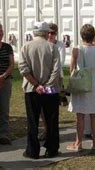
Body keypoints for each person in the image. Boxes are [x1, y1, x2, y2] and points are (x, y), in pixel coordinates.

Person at [18, 21, 61, 159]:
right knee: (51, 119)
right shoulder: (52, 47)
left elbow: (23, 69)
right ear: (47, 32)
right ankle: (51, 148)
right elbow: (56, 69)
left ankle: (32, 150)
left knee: (32, 120)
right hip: (50, 89)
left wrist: (36, 85)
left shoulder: (25, 47)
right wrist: (47, 85)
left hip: (32, 89)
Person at [67, 24, 95, 151]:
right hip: (94, 81)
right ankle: (94, 143)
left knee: (80, 115)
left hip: (81, 81)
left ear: (81, 35)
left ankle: (78, 143)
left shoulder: (76, 49)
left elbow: (71, 68)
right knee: (94, 114)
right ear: (93, 35)